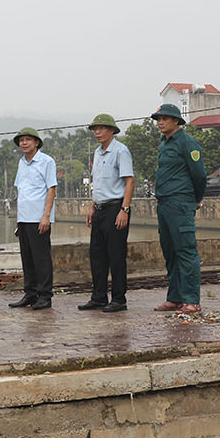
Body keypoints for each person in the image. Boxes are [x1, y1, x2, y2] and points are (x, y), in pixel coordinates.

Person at [150, 102, 207, 313]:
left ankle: (192, 300)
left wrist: (196, 198)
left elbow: (199, 175)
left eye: (165, 118)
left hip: (181, 202)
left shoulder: (187, 143)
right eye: (158, 119)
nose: (160, 122)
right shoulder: (164, 144)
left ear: (176, 121)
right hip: (164, 203)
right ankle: (174, 298)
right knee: (170, 251)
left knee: (186, 250)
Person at [78, 114, 133, 313]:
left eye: (101, 128)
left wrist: (124, 210)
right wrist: (92, 207)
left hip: (116, 208)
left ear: (111, 130)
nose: (97, 132)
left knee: (116, 256)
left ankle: (119, 299)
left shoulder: (120, 151)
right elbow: (99, 183)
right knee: (97, 255)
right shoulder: (97, 153)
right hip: (100, 209)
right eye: (95, 129)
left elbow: (129, 181)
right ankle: (99, 297)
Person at [8, 126, 57, 310]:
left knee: (41, 259)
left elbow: (51, 189)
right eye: (21, 140)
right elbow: (21, 191)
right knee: (27, 258)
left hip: (38, 218)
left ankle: (45, 296)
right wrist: (18, 219)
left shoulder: (47, 161)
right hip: (24, 218)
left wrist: (46, 217)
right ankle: (30, 293)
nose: (24, 143)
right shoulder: (22, 163)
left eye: (28, 140)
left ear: (36, 142)